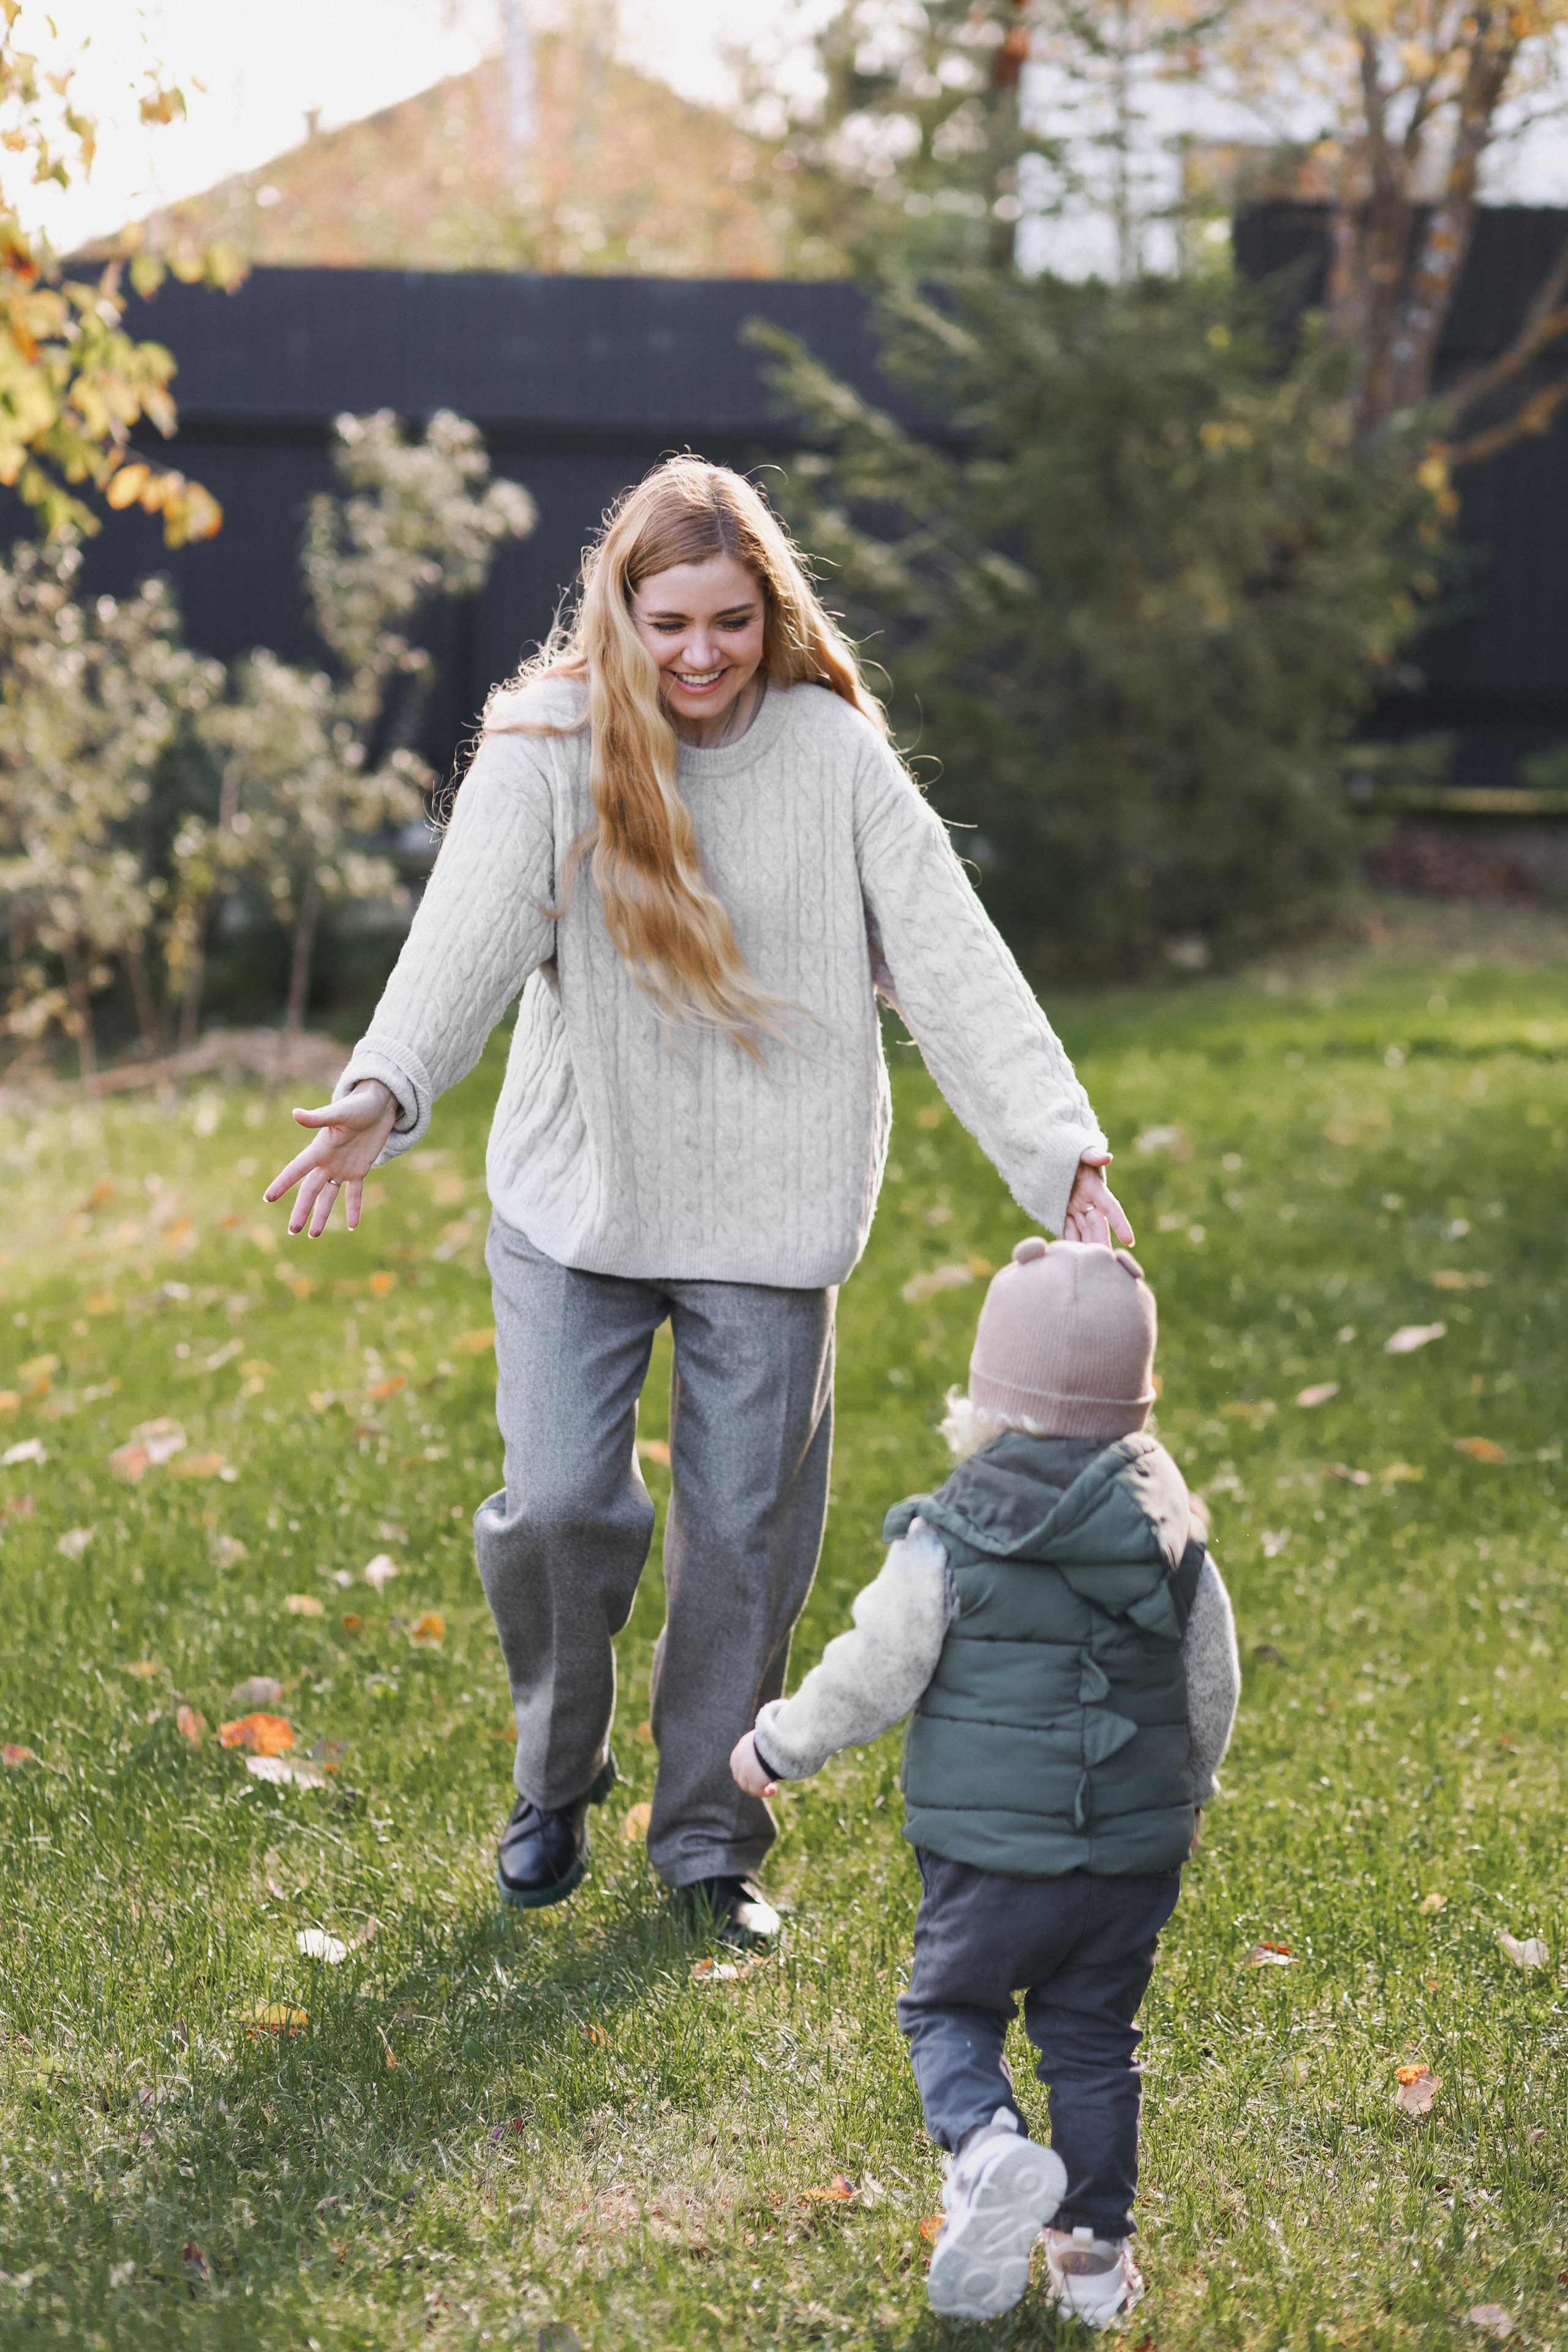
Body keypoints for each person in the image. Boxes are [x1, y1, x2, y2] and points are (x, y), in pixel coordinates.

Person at [263, 456, 1132, 1948]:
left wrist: (1057, 1150)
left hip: (768, 1210)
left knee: (742, 1540)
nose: (700, 656)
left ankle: (708, 1842)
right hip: (577, 1196)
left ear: (769, 611)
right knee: (553, 1509)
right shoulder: (546, 744)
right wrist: (380, 1091)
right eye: (668, 623)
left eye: (730, 621)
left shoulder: (826, 756)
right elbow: (460, 943)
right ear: (619, 607)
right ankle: (554, 1778)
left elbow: (946, 948)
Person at [731, 1240, 1240, 2325]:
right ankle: (1094, 2266)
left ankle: (986, 2149)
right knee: (1094, 2042)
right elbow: (1214, 1681)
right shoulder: (1172, 1532)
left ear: (989, 1394)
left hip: (990, 1861)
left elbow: (875, 1669)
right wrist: (1186, 1789)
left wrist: (779, 1744)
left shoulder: (948, 1537)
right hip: (1130, 1863)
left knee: (950, 2007)